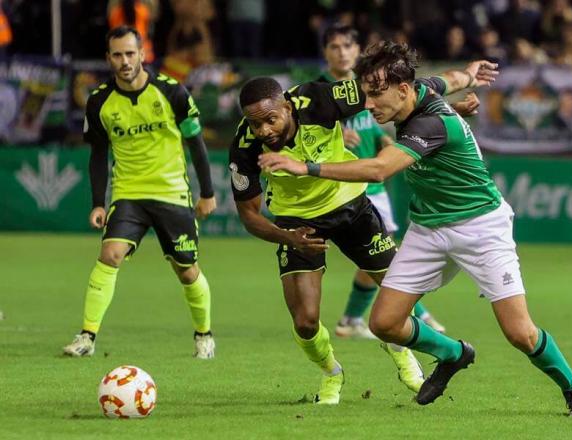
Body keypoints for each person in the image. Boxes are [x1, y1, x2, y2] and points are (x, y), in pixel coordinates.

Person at [258, 41, 572, 416]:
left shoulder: (432, 121)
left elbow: (379, 170)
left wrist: (307, 167)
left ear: (402, 90)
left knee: (520, 333)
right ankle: (454, 354)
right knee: (384, 323)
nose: (367, 105)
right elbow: (448, 79)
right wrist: (470, 73)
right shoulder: (419, 92)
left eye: (374, 95)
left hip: (481, 227)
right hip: (428, 228)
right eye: (366, 93)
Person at [229, 62, 480, 405]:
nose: (263, 130)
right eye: (255, 123)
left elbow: (395, 94)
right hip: (297, 223)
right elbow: (248, 216)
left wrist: (453, 99)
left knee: (401, 292)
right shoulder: (245, 146)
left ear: (287, 106)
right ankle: (332, 372)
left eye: (270, 119)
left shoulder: (320, 99)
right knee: (305, 321)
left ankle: (397, 345)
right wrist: (288, 238)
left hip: (351, 207)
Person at [63, 26, 217, 359]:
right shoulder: (99, 101)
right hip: (128, 194)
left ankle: (204, 334)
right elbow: (98, 155)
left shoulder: (173, 93)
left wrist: (207, 193)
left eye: (130, 53)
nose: (124, 61)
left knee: (186, 269)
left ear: (142, 53)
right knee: (109, 255)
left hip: (172, 193)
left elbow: (196, 143)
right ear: (108, 59)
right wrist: (97, 203)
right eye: (117, 55)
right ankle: (87, 336)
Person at [318, 23, 445, 339]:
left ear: (357, 50)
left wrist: (388, 144)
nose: (342, 52)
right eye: (334, 47)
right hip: (348, 186)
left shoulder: (365, 88)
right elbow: (299, 133)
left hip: (374, 186)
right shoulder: (318, 92)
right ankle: (417, 313)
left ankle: (352, 319)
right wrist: (330, 134)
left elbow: (371, 130)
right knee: (383, 249)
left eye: (347, 46)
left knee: (379, 251)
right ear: (325, 52)